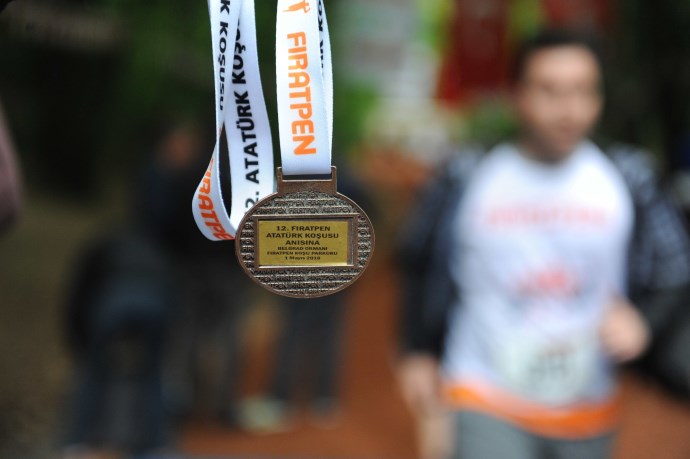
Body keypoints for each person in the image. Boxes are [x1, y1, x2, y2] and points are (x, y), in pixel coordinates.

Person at [398, 29, 690, 459]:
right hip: (483, 391)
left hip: (588, 404)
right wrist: (417, 349)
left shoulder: (629, 178)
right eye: (549, 90)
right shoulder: (467, 175)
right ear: (516, 95)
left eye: (582, 91)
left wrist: (644, 322)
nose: (568, 109)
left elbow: (674, 266)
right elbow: (420, 260)